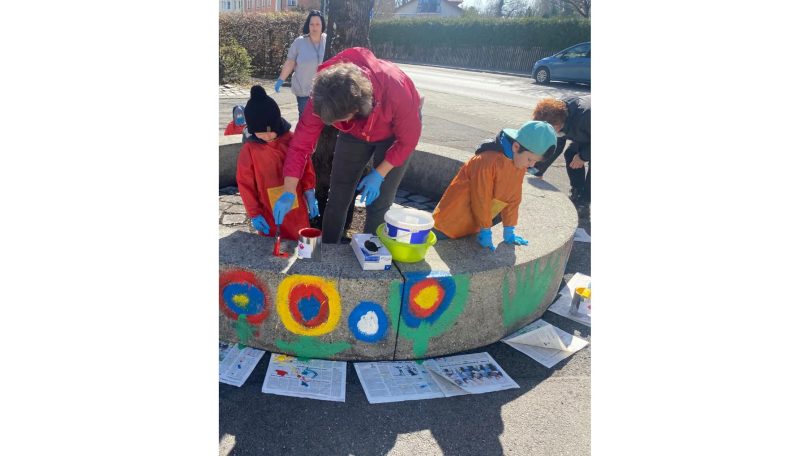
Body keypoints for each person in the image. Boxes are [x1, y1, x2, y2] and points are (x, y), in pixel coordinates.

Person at [273, 47, 423, 244]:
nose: (336, 125)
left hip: (394, 135)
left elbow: (407, 141)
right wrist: (289, 190)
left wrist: (379, 174)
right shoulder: (322, 96)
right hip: (354, 132)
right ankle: (329, 249)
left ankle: (370, 250)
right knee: (338, 194)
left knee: (380, 201)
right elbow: (300, 146)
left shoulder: (395, 90)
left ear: (357, 107)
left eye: (340, 120)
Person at [432, 121, 558, 252]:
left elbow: (513, 196)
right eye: (530, 159)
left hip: (474, 226)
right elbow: (481, 198)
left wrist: (509, 228)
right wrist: (486, 228)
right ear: (516, 147)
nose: (532, 165)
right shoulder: (485, 161)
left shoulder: (519, 163)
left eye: (535, 161)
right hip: (448, 224)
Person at [236, 85, 319, 240]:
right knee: (272, 243)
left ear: (277, 124)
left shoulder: (292, 140)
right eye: (260, 133)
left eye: (269, 132)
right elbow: (245, 184)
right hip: (268, 209)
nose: (266, 136)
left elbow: (306, 166)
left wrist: (309, 191)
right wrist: (254, 213)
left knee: (299, 239)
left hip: (296, 208)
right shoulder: (249, 150)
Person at [530, 95, 591, 209]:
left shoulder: (585, 116)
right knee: (571, 154)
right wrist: (537, 171)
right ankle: (577, 191)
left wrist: (583, 157)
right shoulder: (556, 114)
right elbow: (554, 147)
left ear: (559, 125)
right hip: (586, 133)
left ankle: (585, 200)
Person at [274, 10, 327, 118]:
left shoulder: (328, 40)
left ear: (322, 25)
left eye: (317, 24)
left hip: (325, 93)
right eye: (312, 24)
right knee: (305, 121)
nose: (314, 27)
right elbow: (290, 62)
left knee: (324, 123)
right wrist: (280, 80)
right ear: (308, 25)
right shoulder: (299, 42)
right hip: (304, 92)